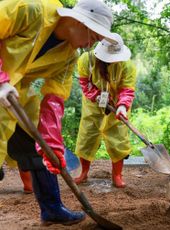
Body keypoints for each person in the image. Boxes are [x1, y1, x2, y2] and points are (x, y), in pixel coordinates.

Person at [0, 0, 117, 226]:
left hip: (15, 90)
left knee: (40, 146)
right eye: (93, 37)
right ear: (79, 22)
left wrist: (52, 144)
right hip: (5, 82)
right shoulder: (30, 9)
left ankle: (52, 208)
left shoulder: (69, 56)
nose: (92, 44)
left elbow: (54, 96)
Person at [73, 34, 137, 188]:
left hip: (117, 105)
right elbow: (85, 83)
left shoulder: (127, 66)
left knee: (118, 139)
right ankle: (83, 172)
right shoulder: (85, 60)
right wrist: (97, 97)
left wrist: (122, 106)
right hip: (92, 104)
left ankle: (117, 175)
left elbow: (127, 89)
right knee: (86, 137)